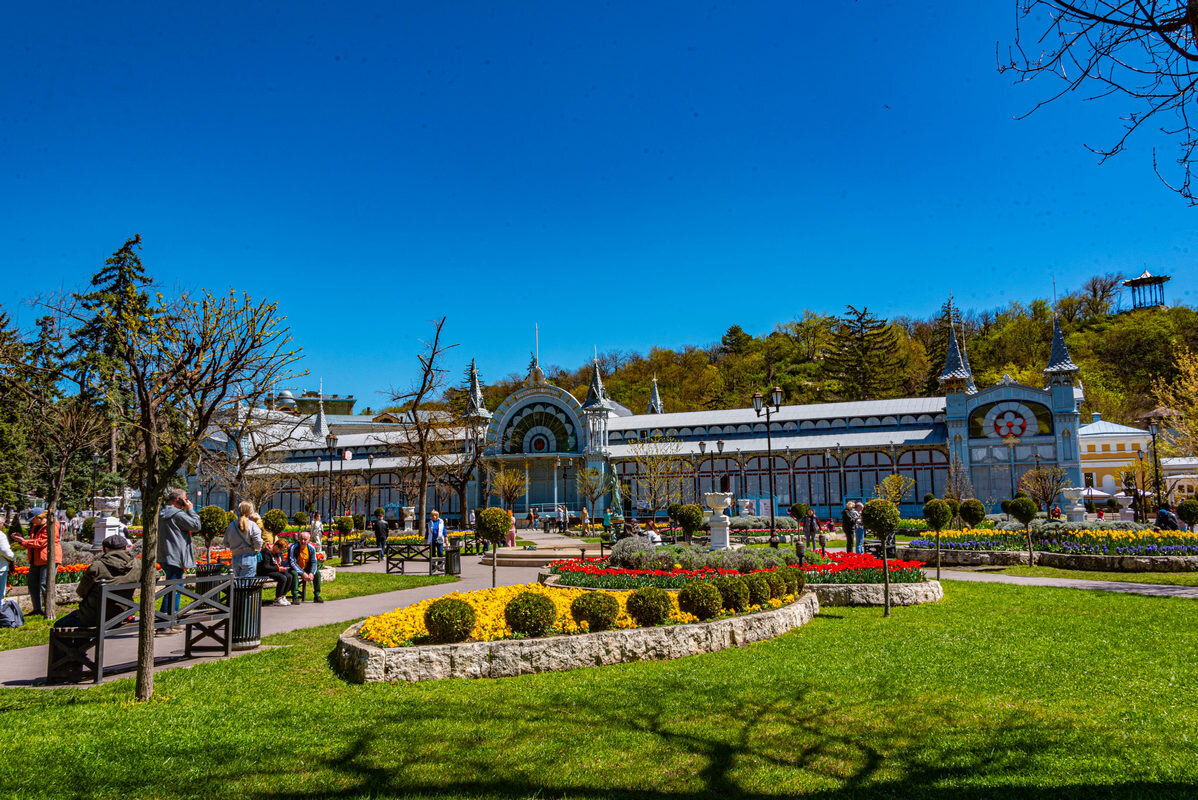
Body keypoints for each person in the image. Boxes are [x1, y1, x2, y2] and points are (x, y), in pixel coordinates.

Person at [53, 534, 139, 630]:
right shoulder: (138, 565)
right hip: (123, 614)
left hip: (94, 617)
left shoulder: (97, 567)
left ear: (104, 549)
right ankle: (82, 644)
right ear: (125, 547)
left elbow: (81, 592)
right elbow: (155, 576)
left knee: (58, 626)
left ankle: (80, 645)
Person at [158, 488, 202, 618]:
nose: (187, 501)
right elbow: (196, 526)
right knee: (174, 588)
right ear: (178, 499)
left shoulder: (162, 512)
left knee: (172, 587)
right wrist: (190, 510)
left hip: (165, 554)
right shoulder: (177, 514)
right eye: (185, 498)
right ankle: (166, 622)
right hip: (176, 555)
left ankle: (168, 619)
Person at [13, 511, 60, 617]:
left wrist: (24, 541)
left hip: (48, 559)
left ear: (39, 517)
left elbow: (41, 542)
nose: (31, 522)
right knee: (32, 584)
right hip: (36, 559)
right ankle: (37, 609)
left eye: (32, 519)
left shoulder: (52, 526)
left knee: (44, 584)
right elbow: (34, 542)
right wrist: (22, 540)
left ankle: (49, 611)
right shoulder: (35, 526)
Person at [223, 501, 264, 578]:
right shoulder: (253, 525)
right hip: (249, 557)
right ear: (250, 511)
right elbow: (258, 543)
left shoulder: (231, 525)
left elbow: (226, 543)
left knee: (237, 585)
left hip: (235, 557)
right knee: (246, 585)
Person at [288, 531, 323, 603]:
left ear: (309, 540)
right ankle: (295, 596)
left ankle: (317, 595)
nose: (303, 541)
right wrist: (303, 573)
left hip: (306, 567)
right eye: (301, 539)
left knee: (317, 573)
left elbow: (314, 562)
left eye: (305, 539)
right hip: (295, 568)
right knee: (294, 574)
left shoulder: (311, 548)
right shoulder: (293, 547)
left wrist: (311, 573)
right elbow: (292, 562)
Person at [257, 539, 293, 606]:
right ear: (276, 546)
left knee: (289, 576)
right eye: (280, 549)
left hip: (274, 570)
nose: (281, 551)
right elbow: (266, 567)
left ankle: (283, 596)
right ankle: (278, 598)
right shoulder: (266, 552)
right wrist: (279, 569)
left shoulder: (278, 553)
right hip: (265, 572)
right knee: (282, 578)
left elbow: (279, 562)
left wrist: (282, 568)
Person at [0, 523, 14, 601]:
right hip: (1, 566)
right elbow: (5, 551)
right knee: (0, 593)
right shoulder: (1, 535)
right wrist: (13, 558)